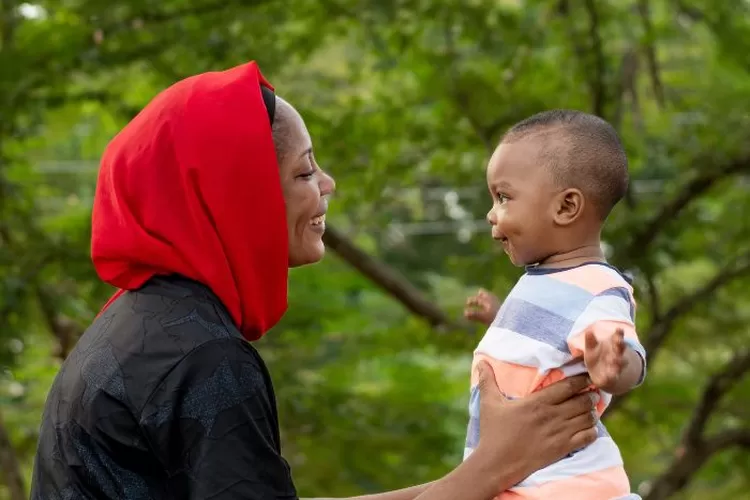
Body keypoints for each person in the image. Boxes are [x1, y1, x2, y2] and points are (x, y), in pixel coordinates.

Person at [30, 62, 600, 500]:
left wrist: (482, 470)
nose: (327, 184)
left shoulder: (145, 326)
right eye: (303, 170)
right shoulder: (201, 358)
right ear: (238, 196)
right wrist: (493, 469)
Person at [462, 110, 647, 499]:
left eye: (504, 197)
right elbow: (547, 342)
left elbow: (625, 349)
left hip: (564, 486)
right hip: (518, 479)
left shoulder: (597, 285)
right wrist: (501, 320)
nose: (491, 213)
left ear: (565, 208)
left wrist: (614, 367)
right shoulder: (544, 279)